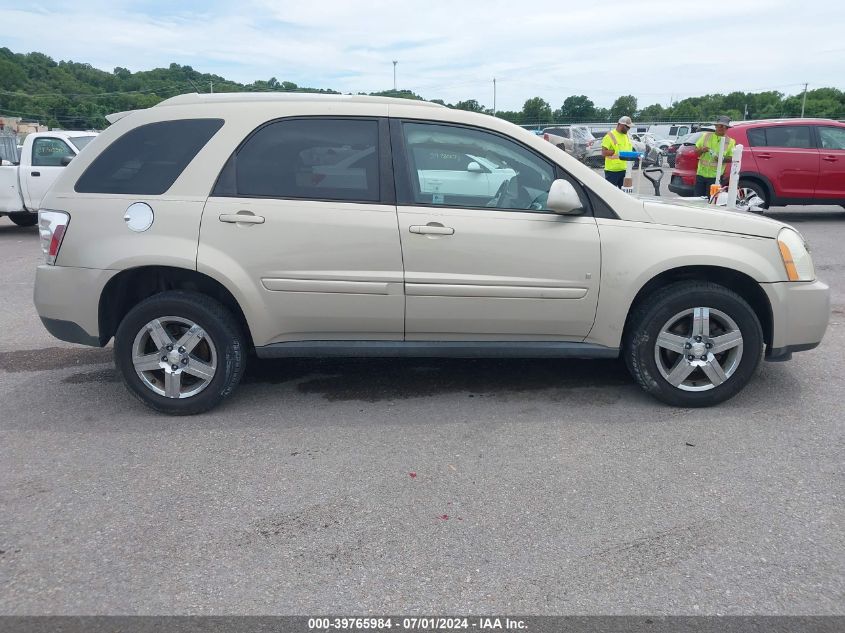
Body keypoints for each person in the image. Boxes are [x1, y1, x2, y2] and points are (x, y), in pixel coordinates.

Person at [694, 115, 737, 197]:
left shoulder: (730, 141)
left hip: (716, 177)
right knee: (697, 199)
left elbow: (732, 158)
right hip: (701, 174)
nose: (722, 128)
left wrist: (722, 158)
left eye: (725, 127)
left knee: (712, 200)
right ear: (716, 126)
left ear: (727, 128)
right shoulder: (706, 136)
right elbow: (695, 151)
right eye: (720, 126)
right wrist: (701, 150)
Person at [601, 116, 635, 188]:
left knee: (624, 193)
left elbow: (628, 150)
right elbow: (603, 152)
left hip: (625, 169)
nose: (629, 129)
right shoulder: (610, 136)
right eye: (627, 127)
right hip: (612, 171)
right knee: (610, 193)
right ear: (621, 125)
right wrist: (615, 152)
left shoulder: (627, 136)